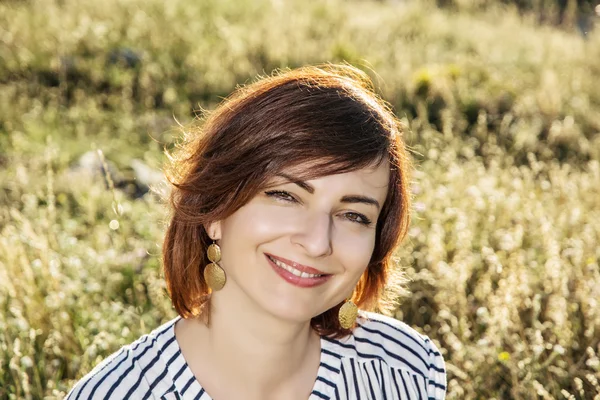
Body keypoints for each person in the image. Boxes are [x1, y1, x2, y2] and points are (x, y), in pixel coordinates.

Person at [66, 64, 446, 399]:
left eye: (353, 215)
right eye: (285, 195)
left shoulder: (408, 370)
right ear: (214, 210)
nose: (317, 242)